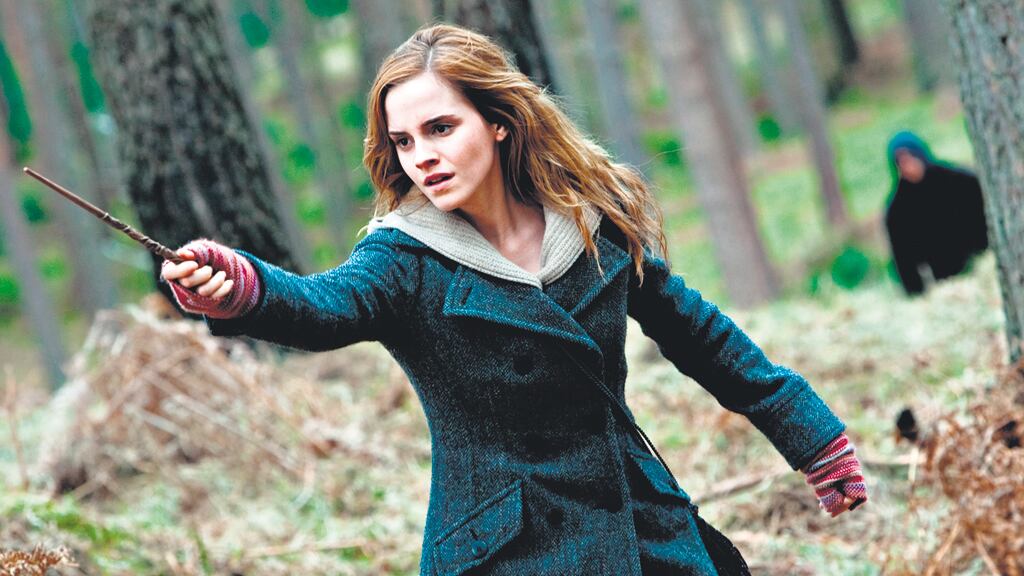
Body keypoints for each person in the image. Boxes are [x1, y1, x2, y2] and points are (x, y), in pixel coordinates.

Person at [161, 24, 867, 575]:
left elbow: (701, 338)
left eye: (441, 128)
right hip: (506, 549)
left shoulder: (590, 226)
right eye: (404, 141)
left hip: (637, 525)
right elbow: (321, 308)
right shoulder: (403, 257)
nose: (422, 156)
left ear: (497, 121)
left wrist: (812, 439)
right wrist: (239, 285)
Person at [885, 131, 989, 295]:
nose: (909, 167)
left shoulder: (959, 181)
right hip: (945, 277)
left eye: (911, 158)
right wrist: (916, 292)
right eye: (901, 163)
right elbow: (903, 258)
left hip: (979, 256)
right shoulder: (898, 209)